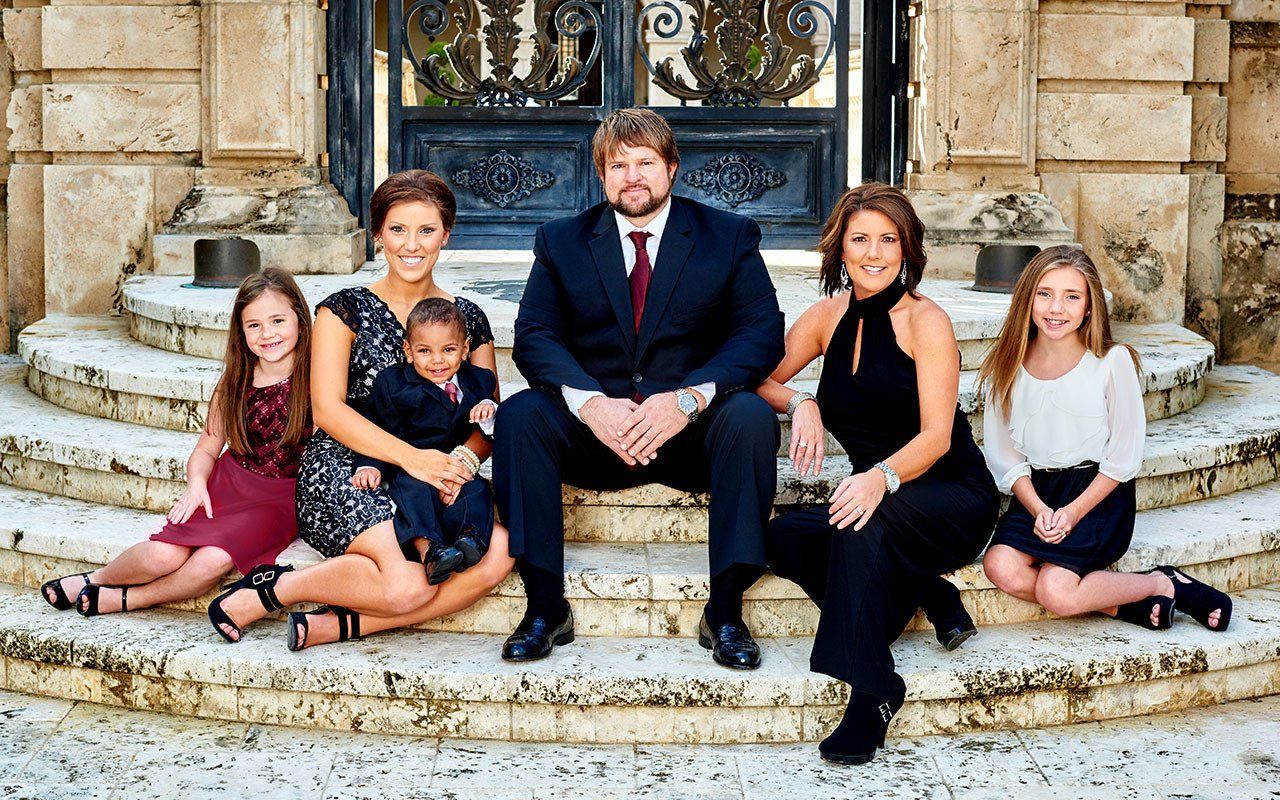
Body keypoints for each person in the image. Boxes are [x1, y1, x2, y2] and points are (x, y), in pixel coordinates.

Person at [493, 108, 785, 668]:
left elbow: (760, 331)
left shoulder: (728, 237)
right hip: (595, 434)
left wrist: (690, 399)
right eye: (618, 165)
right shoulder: (561, 241)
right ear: (601, 175)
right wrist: (592, 405)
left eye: (645, 162)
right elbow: (534, 335)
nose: (632, 176)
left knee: (749, 416)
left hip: (689, 434)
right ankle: (544, 607)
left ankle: (724, 610)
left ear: (672, 168)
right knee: (522, 414)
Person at [204, 169, 515, 650]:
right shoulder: (342, 309)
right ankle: (275, 588)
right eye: (397, 230)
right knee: (407, 583)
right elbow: (327, 410)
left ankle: (333, 625)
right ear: (377, 236)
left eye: (427, 230)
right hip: (349, 466)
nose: (412, 244)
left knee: (498, 555)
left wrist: (464, 461)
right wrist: (413, 459)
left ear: (446, 235)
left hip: (437, 471)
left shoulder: (469, 319)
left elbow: (488, 412)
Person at [759, 183, 999, 765]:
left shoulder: (927, 321)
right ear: (839, 247)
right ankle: (924, 588)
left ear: (907, 248)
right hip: (883, 498)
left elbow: (938, 437)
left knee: (854, 524)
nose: (873, 252)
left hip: (950, 494)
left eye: (888, 239)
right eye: (859, 238)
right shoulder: (824, 317)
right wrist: (802, 404)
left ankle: (874, 690)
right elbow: (760, 381)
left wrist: (880, 478)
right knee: (777, 537)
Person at [980, 245, 1231, 634]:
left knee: (1056, 589)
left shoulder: (1111, 362)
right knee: (999, 565)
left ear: (1089, 307)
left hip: (1097, 492)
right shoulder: (1006, 364)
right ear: (1027, 299)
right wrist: (1038, 508)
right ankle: (1122, 606)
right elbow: (1003, 453)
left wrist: (1073, 513)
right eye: (1044, 294)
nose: (1056, 308)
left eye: (1071, 296)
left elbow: (1123, 456)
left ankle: (1163, 583)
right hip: (1038, 491)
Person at [40, 268, 312, 618]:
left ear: (300, 320)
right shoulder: (235, 382)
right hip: (230, 483)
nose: (268, 334)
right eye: (254, 325)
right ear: (241, 331)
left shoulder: (316, 377)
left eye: (278, 320)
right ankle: (96, 578)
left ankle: (129, 599)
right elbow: (206, 448)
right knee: (163, 555)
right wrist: (197, 484)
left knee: (212, 561)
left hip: (279, 497)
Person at [351, 297, 499, 585]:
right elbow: (376, 427)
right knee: (412, 492)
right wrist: (369, 465)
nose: (437, 361)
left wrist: (489, 410)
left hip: (455, 468)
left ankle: (472, 540)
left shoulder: (479, 381)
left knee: (478, 490)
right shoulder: (394, 384)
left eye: (448, 350)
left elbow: (491, 429)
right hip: (412, 468)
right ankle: (430, 551)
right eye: (424, 351)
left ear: (465, 349)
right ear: (408, 351)